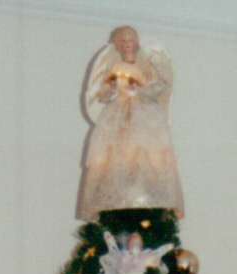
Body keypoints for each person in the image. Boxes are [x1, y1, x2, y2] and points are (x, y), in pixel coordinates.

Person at [77, 24, 185, 220]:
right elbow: (104, 91)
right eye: (124, 40)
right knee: (118, 153)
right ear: (118, 45)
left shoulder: (146, 65)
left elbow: (157, 87)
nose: (128, 44)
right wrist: (111, 88)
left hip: (144, 116)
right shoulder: (116, 67)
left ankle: (146, 192)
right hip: (119, 115)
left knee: (147, 152)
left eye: (131, 40)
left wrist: (142, 88)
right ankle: (120, 195)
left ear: (137, 43)